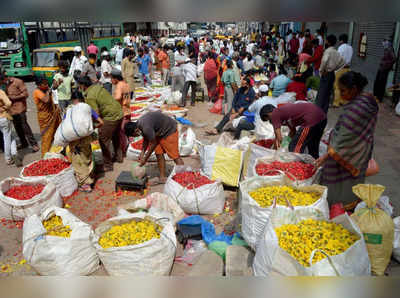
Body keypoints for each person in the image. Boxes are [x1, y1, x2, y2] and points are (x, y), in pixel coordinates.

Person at [316, 72, 378, 207]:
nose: (340, 94)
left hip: (350, 150)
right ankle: (349, 202)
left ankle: (338, 205)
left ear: (354, 89)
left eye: (343, 90)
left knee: (338, 179)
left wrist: (327, 155)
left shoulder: (358, 108)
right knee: (352, 179)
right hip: (360, 148)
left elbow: (345, 136)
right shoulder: (367, 100)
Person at [124, 112, 184, 185]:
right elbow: (146, 138)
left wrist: (145, 159)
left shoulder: (146, 127)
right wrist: (142, 153)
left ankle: (183, 177)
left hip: (169, 130)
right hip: (158, 132)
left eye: (134, 136)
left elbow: (153, 143)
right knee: (158, 153)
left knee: (175, 156)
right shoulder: (139, 125)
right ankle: (162, 177)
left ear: (136, 130)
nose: (136, 137)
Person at [78, 76, 123, 172]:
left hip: (110, 116)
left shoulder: (90, 96)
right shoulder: (97, 87)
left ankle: (108, 165)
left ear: (83, 86)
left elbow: (95, 114)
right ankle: (119, 157)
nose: (79, 88)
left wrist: (90, 125)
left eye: (79, 86)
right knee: (115, 136)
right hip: (118, 111)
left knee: (103, 139)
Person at [66, 91, 104, 193]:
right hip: (87, 138)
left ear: (73, 100)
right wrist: (91, 129)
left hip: (75, 140)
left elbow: (65, 126)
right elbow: (101, 122)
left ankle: (85, 184)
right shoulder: (88, 108)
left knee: (78, 161)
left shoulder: (70, 110)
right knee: (87, 158)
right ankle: (90, 178)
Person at [260, 102, 326, 159]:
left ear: (268, 114)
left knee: (294, 148)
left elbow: (278, 137)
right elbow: (293, 132)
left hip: (311, 119)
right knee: (312, 146)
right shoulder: (285, 113)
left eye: (268, 119)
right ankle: (315, 165)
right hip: (322, 117)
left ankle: (296, 168)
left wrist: (276, 152)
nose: (270, 121)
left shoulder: (274, 114)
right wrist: (286, 143)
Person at [0, 72, 39, 152]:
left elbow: (26, 94)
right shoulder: (4, 85)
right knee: (17, 127)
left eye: (2, 81)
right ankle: (24, 143)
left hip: (20, 107)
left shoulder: (18, 81)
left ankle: (34, 144)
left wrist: (13, 98)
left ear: (5, 78)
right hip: (11, 110)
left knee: (24, 126)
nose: (2, 83)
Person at [315, 35, 345, 114]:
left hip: (326, 74)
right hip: (332, 74)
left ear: (328, 42)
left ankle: (318, 112)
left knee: (321, 94)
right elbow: (342, 62)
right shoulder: (336, 52)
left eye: (326, 41)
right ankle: (324, 111)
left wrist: (321, 71)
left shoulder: (328, 51)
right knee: (327, 94)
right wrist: (334, 68)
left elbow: (324, 61)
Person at [32, 76, 62, 157]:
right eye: (44, 84)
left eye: (46, 83)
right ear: (39, 85)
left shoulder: (46, 89)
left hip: (53, 114)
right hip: (45, 118)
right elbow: (46, 100)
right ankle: (44, 157)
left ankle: (59, 151)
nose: (46, 85)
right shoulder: (37, 92)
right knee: (47, 138)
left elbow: (53, 88)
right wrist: (49, 91)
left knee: (58, 133)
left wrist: (57, 83)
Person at [0, 89, 22, 166]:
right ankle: (8, 158)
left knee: (11, 136)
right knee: (7, 138)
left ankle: (14, 153)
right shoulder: (0, 92)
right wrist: (4, 108)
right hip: (3, 117)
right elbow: (9, 103)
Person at [111, 69, 131, 155]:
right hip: (127, 110)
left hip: (121, 112)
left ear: (115, 78)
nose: (111, 81)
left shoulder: (119, 85)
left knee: (121, 133)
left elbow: (118, 97)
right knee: (126, 131)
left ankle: (123, 151)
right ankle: (127, 147)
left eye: (111, 78)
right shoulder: (125, 84)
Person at [333, 34, 353, 107]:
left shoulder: (341, 47)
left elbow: (338, 58)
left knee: (337, 86)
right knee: (345, 86)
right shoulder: (350, 47)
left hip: (340, 68)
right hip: (347, 68)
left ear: (341, 40)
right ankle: (343, 101)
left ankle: (336, 103)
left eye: (339, 40)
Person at [373, 38, 396, 102]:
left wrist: (386, 64)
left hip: (384, 69)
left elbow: (394, 58)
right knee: (377, 81)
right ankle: (375, 95)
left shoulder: (390, 49)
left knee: (381, 83)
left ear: (387, 42)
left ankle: (379, 98)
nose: (383, 43)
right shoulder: (386, 49)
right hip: (381, 68)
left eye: (384, 42)